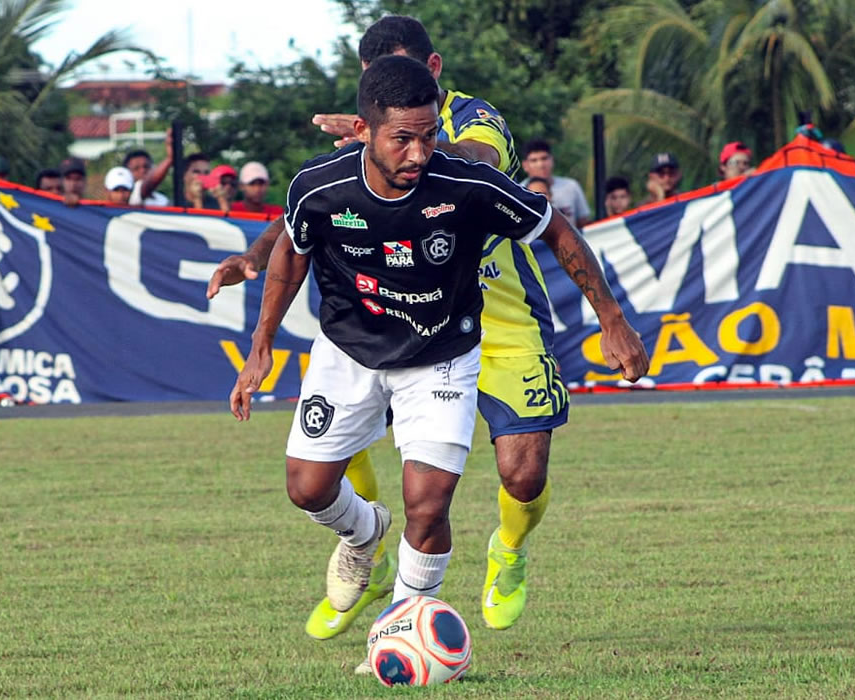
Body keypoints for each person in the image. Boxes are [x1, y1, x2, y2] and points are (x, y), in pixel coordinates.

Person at [210, 14, 649, 649]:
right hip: (362, 334)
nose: (416, 148)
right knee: (313, 481)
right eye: (399, 133)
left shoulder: (464, 127)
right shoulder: (367, 139)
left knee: (505, 479)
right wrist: (256, 262)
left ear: (435, 75)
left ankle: (473, 576)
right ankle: (365, 543)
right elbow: (305, 218)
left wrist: (613, 318)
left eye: (426, 129)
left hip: (484, 318)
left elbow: (485, 171)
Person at [520, 139, 591, 227]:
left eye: (544, 158)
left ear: (552, 160)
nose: (541, 165)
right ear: (525, 165)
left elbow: (583, 222)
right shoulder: (520, 191)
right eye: (534, 160)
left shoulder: (571, 186)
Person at [124, 141, 172, 207]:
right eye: (136, 168)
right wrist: (170, 159)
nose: (143, 171)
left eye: (146, 167)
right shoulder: (130, 196)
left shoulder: (163, 200)